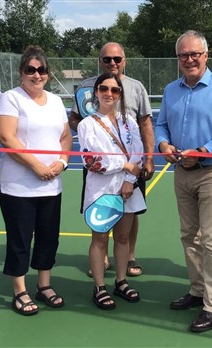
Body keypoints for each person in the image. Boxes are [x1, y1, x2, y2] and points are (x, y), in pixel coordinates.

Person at [155, 30, 212, 333]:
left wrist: (202, 152)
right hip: (181, 172)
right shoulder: (171, 90)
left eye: (194, 54)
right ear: (178, 58)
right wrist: (163, 145)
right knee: (189, 235)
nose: (189, 59)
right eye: (183, 55)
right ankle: (198, 290)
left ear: (206, 55)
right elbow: (161, 124)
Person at [0, 46, 71, 316]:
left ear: (48, 74)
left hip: (51, 185)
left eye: (41, 70)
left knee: (49, 237)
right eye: (31, 70)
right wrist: (37, 165)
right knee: (20, 239)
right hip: (18, 187)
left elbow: (65, 137)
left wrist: (61, 163)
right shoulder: (10, 99)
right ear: (21, 73)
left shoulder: (56, 101)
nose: (36, 75)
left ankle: (44, 285)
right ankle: (20, 290)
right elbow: (6, 137)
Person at [69, 42, 153, 278]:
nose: (113, 63)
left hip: (131, 176)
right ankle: (101, 268)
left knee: (127, 223)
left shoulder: (135, 89)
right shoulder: (86, 92)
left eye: (117, 58)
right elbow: (78, 126)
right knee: (101, 229)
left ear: (124, 60)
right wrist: (96, 128)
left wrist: (138, 166)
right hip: (103, 180)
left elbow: (144, 125)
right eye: (107, 59)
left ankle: (127, 264)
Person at [77, 73, 145, 310]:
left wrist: (129, 179)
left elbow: (139, 152)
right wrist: (125, 165)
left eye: (115, 90)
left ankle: (120, 281)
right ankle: (99, 287)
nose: (109, 94)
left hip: (127, 189)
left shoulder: (130, 121)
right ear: (96, 91)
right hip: (102, 192)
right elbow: (92, 161)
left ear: (119, 94)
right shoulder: (87, 124)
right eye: (104, 88)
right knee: (100, 239)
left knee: (123, 237)